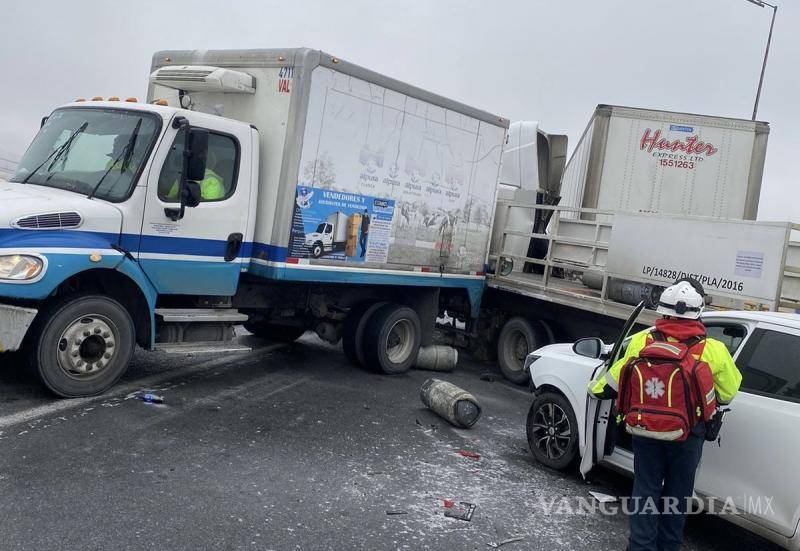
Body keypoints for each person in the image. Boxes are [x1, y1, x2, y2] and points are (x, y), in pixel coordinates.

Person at [588, 279, 742, 551]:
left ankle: (640, 546)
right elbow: (728, 392)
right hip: (688, 435)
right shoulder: (713, 349)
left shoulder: (642, 340)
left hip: (645, 431)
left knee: (646, 489)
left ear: (663, 312)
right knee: (678, 495)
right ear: (698, 312)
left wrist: (593, 388)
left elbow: (611, 383)